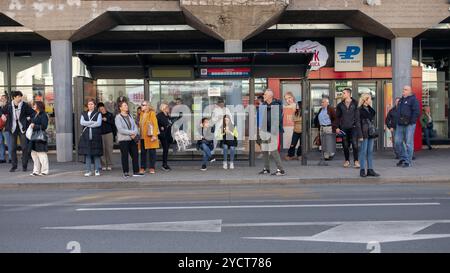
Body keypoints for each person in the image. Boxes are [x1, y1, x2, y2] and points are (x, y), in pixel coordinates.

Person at [4, 90, 34, 172]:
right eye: (18, 97)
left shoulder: (24, 105)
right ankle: (14, 166)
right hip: (13, 129)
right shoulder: (9, 105)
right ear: (14, 97)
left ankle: (24, 166)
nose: (20, 98)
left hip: (22, 129)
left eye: (21, 96)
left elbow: (32, 113)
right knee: (13, 148)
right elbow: (2, 111)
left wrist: (30, 120)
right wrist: (3, 115)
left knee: (24, 147)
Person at [258, 89, 285, 176]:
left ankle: (281, 170)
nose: (264, 96)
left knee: (273, 150)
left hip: (272, 131)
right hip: (264, 130)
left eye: (265, 94)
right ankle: (266, 168)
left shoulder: (277, 105)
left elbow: (278, 120)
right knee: (265, 150)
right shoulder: (264, 105)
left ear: (270, 96)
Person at [115, 101, 144, 178]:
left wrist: (134, 133)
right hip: (124, 140)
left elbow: (135, 126)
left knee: (135, 155)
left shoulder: (130, 115)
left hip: (132, 139)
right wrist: (131, 133)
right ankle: (126, 172)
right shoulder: (118, 117)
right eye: (124, 105)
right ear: (120, 108)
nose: (126, 106)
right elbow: (120, 129)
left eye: (126, 105)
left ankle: (136, 171)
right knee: (125, 156)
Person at [395, 85, 420, 168]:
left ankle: (407, 161)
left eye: (405, 89)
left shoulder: (413, 99)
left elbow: (416, 112)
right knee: (397, 142)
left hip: (409, 124)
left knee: (409, 143)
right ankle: (403, 158)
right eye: (403, 89)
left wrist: (411, 122)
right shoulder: (401, 100)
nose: (403, 91)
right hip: (400, 124)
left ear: (410, 91)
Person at [356, 93, 379, 178]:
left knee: (370, 152)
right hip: (364, 133)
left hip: (371, 133)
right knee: (363, 152)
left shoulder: (370, 109)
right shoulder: (359, 110)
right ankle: (362, 170)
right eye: (369, 99)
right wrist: (360, 135)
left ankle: (370, 170)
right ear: (365, 100)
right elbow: (358, 123)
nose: (371, 100)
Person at [336, 88, 360, 168]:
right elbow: (337, 117)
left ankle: (356, 161)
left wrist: (358, 127)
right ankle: (347, 161)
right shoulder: (340, 105)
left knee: (355, 144)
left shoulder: (356, 103)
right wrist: (337, 127)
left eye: (344, 93)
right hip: (344, 128)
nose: (342, 94)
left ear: (349, 94)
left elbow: (357, 116)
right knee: (345, 145)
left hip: (353, 127)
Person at [78, 99, 103, 177]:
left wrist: (87, 124)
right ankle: (88, 170)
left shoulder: (98, 113)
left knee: (96, 154)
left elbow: (98, 123)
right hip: (86, 137)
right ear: (87, 105)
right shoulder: (84, 113)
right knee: (87, 154)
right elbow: (82, 122)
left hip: (96, 136)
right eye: (89, 104)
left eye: (92, 104)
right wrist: (92, 123)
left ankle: (97, 170)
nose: (90, 105)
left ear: (95, 105)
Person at [139, 101, 159, 174]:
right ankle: (142, 167)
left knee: (152, 153)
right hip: (143, 137)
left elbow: (155, 125)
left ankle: (152, 168)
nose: (142, 106)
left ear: (148, 106)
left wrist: (154, 135)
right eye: (141, 105)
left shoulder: (152, 113)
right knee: (143, 153)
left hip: (150, 137)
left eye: (143, 105)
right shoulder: (141, 114)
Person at [29, 101, 49, 176]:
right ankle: (36, 171)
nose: (33, 105)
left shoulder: (43, 115)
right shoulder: (35, 114)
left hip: (40, 137)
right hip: (34, 136)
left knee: (42, 154)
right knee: (34, 154)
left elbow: (44, 126)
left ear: (39, 106)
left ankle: (44, 170)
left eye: (35, 104)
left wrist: (35, 126)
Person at [97, 102, 115, 171]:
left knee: (109, 149)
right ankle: (103, 164)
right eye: (100, 109)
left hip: (109, 134)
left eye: (103, 108)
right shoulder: (98, 116)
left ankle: (110, 164)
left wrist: (106, 120)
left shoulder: (110, 115)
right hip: (100, 134)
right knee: (102, 149)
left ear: (105, 108)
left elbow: (113, 124)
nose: (102, 110)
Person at [157, 103, 173, 171]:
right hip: (163, 135)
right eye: (167, 107)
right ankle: (164, 164)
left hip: (168, 134)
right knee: (165, 149)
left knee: (166, 150)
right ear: (163, 108)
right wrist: (162, 127)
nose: (168, 108)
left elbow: (169, 123)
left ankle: (165, 164)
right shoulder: (159, 115)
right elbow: (161, 124)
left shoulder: (168, 115)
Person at [283, 92, 297, 159]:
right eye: (286, 99)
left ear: (293, 97)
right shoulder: (286, 107)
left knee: (293, 142)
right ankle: (291, 154)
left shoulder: (295, 106)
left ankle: (291, 155)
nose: (288, 100)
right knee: (291, 142)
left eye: (289, 97)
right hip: (287, 127)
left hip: (294, 126)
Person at [0, 94, 12, 164]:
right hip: (0, 127)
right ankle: (2, 158)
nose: (1, 99)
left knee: (9, 143)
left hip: (5, 128)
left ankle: (11, 157)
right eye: (1, 98)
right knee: (1, 143)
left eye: (3, 98)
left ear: (7, 99)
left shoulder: (9, 106)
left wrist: (6, 126)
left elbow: (9, 118)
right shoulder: (0, 106)